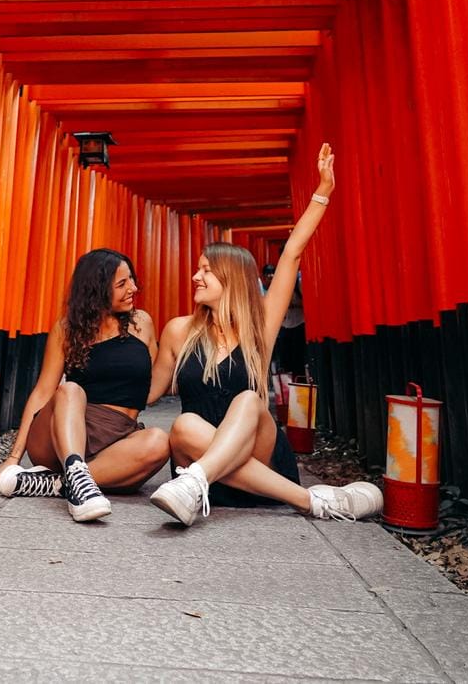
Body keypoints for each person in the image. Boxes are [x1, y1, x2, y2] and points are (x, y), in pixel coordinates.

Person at [144, 143, 380, 526]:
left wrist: (323, 191)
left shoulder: (259, 326)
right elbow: (146, 393)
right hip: (199, 463)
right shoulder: (178, 331)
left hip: (253, 453)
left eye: (205, 270)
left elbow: (291, 255)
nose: (195, 277)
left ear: (232, 277)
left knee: (251, 402)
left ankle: (197, 482)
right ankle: (312, 501)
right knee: (184, 425)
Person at [0, 248, 171, 521]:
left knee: (160, 441)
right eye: (122, 284)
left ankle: (56, 483)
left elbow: (147, 390)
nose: (133, 289)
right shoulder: (67, 329)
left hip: (118, 439)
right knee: (70, 389)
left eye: (132, 280)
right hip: (65, 432)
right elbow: (43, 392)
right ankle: (76, 475)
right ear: (98, 289)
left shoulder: (142, 323)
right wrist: (13, 459)